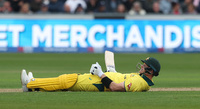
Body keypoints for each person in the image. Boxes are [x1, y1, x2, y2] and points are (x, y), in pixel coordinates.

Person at [21, 57, 161, 92]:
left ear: (151, 71)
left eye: (145, 66)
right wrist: (112, 72)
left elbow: (114, 87)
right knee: (66, 80)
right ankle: (34, 83)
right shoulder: (139, 78)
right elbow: (120, 78)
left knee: (66, 81)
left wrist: (101, 74)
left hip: (97, 83)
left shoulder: (140, 83)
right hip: (98, 79)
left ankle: (30, 84)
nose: (142, 66)